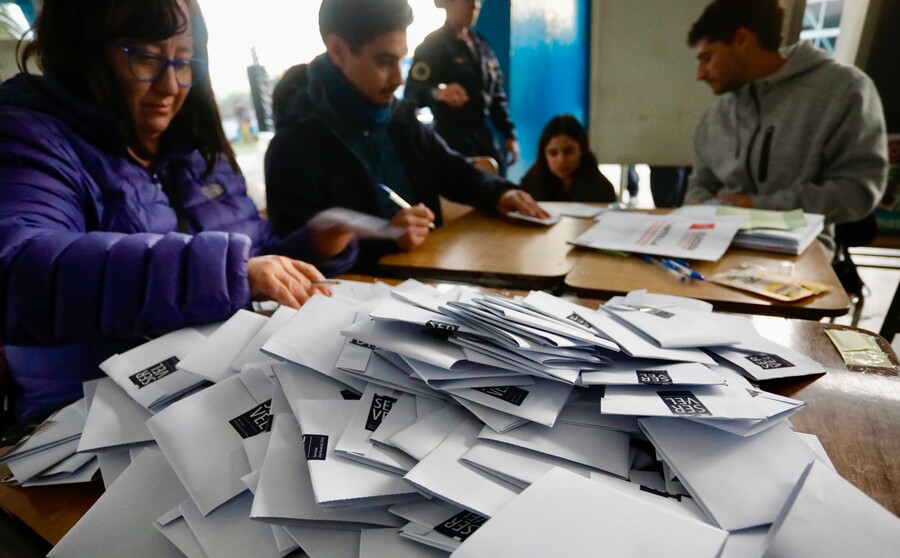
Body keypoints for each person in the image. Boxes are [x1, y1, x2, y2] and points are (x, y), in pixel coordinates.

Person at [0, 0, 357, 423]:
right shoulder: (28, 137)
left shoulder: (197, 150)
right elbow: (18, 270)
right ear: (80, 51)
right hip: (90, 424)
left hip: (218, 395)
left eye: (185, 62)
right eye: (146, 58)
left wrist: (311, 246)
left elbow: (250, 257)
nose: (172, 85)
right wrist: (227, 273)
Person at [265, 0, 547, 272]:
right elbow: (290, 262)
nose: (399, 78)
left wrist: (500, 192)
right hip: (354, 306)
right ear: (338, 51)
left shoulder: (396, 116)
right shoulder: (292, 147)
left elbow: (451, 168)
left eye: (401, 60)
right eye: (385, 61)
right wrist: (385, 237)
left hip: (427, 282)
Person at [684, 0, 888, 240]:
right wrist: (696, 207)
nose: (700, 74)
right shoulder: (717, 114)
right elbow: (701, 182)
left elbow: (856, 193)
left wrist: (755, 207)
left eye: (707, 58)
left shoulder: (843, 91)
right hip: (716, 243)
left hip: (799, 249)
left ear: (742, 40)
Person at [404, 0, 518, 174]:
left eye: (477, 1)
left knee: (496, 182)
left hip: (482, 135)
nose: (474, 6)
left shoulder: (481, 46)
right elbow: (412, 92)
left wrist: (509, 134)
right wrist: (438, 93)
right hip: (451, 137)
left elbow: (496, 94)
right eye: (467, 1)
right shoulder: (433, 45)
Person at [520, 114, 616, 204]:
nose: (561, 160)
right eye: (553, 153)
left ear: (582, 150)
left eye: (568, 152)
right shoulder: (530, 183)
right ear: (543, 154)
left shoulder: (602, 189)